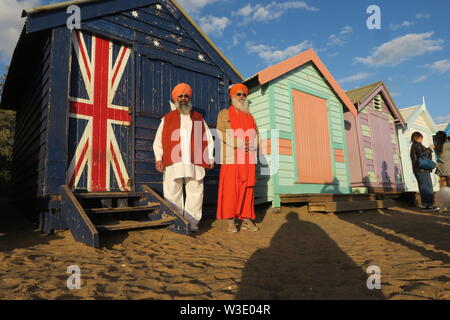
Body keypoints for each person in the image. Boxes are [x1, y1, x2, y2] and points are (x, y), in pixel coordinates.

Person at [153, 83, 215, 233]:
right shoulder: (167, 118)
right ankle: (176, 222)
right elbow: (159, 140)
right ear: (175, 98)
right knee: (172, 192)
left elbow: (207, 138)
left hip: (195, 162)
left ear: (189, 98)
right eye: (180, 96)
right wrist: (158, 158)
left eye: (186, 96)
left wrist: (210, 158)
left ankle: (192, 224)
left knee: (195, 192)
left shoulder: (198, 117)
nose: (183, 98)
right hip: (174, 162)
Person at [216, 83, 259, 233]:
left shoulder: (250, 116)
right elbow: (220, 132)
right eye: (238, 94)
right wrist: (238, 143)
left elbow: (257, 135)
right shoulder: (224, 114)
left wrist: (253, 145)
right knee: (230, 190)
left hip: (248, 158)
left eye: (244, 94)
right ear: (232, 96)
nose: (241, 97)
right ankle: (230, 221)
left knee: (247, 189)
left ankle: (246, 219)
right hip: (231, 158)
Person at [410, 131, 439, 211]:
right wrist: (429, 148)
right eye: (421, 138)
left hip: (420, 170)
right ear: (419, 138)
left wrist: (432, 163)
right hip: (421, 170)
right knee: (426, 187)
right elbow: (422, 156)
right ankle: (427, 205)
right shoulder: (417, 145)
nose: (422, 140)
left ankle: (429, 204)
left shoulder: (414, 145)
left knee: (425, 187)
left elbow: (422, 158)